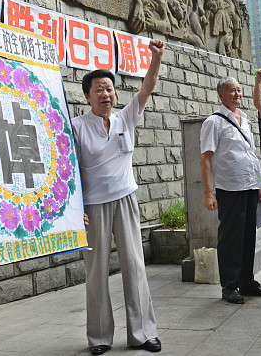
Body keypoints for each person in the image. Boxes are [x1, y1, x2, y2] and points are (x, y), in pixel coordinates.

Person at [70, 41, 165, 355]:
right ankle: (99, 338)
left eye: (108, 89)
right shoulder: (77, 127)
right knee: (96, 271)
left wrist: (157, 57)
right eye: (98, 89)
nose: (105, 94)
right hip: (93, 207)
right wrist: (75, 210)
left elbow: (147, 87)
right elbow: (68, 172)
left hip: (125, 200)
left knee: (135, 265)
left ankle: (142, 333)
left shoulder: (126, 118)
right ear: (87, 96)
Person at [200, 76, 261, 304]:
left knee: (248, 236)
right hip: (229, 188)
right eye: (232, 91)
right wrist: (208, 192)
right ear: (221, 94)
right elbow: (205, 158)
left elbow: (251, 154)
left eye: (239, 90)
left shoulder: (245, 120)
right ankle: (229, 285)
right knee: (231, 238)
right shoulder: (214, 122)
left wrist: (260, 185)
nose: (237, 94)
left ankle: (247, 281)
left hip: (250, 186)